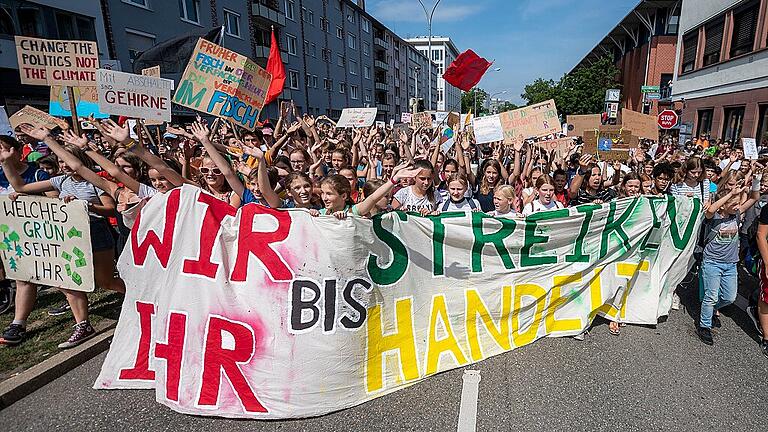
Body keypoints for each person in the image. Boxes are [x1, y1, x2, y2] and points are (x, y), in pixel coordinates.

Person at [0, 127, 126, 348]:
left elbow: (110, 208)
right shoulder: (60, 182)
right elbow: (20, 185)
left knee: (105, 281)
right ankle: (83, 325)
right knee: (69, 281)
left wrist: (85, 206)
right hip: (70, 236)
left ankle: (139, 296)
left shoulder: (94, 181)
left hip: (96, 233)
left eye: (67, 161)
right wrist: (6, 163)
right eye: (60, 161)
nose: (64, 165)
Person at [697, 180, 760, 345]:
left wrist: (757, 181)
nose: (737, 206)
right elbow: (710, 210)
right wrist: (730, 194)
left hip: (731, 264)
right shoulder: (714, 217)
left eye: (738, 204)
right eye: (733, 204)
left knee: (729, 297)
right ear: (724, 205)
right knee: (710, 296)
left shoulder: (737, 214)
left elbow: (754, 197)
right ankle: (704, 325)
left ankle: (711, 309)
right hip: (712, 262)